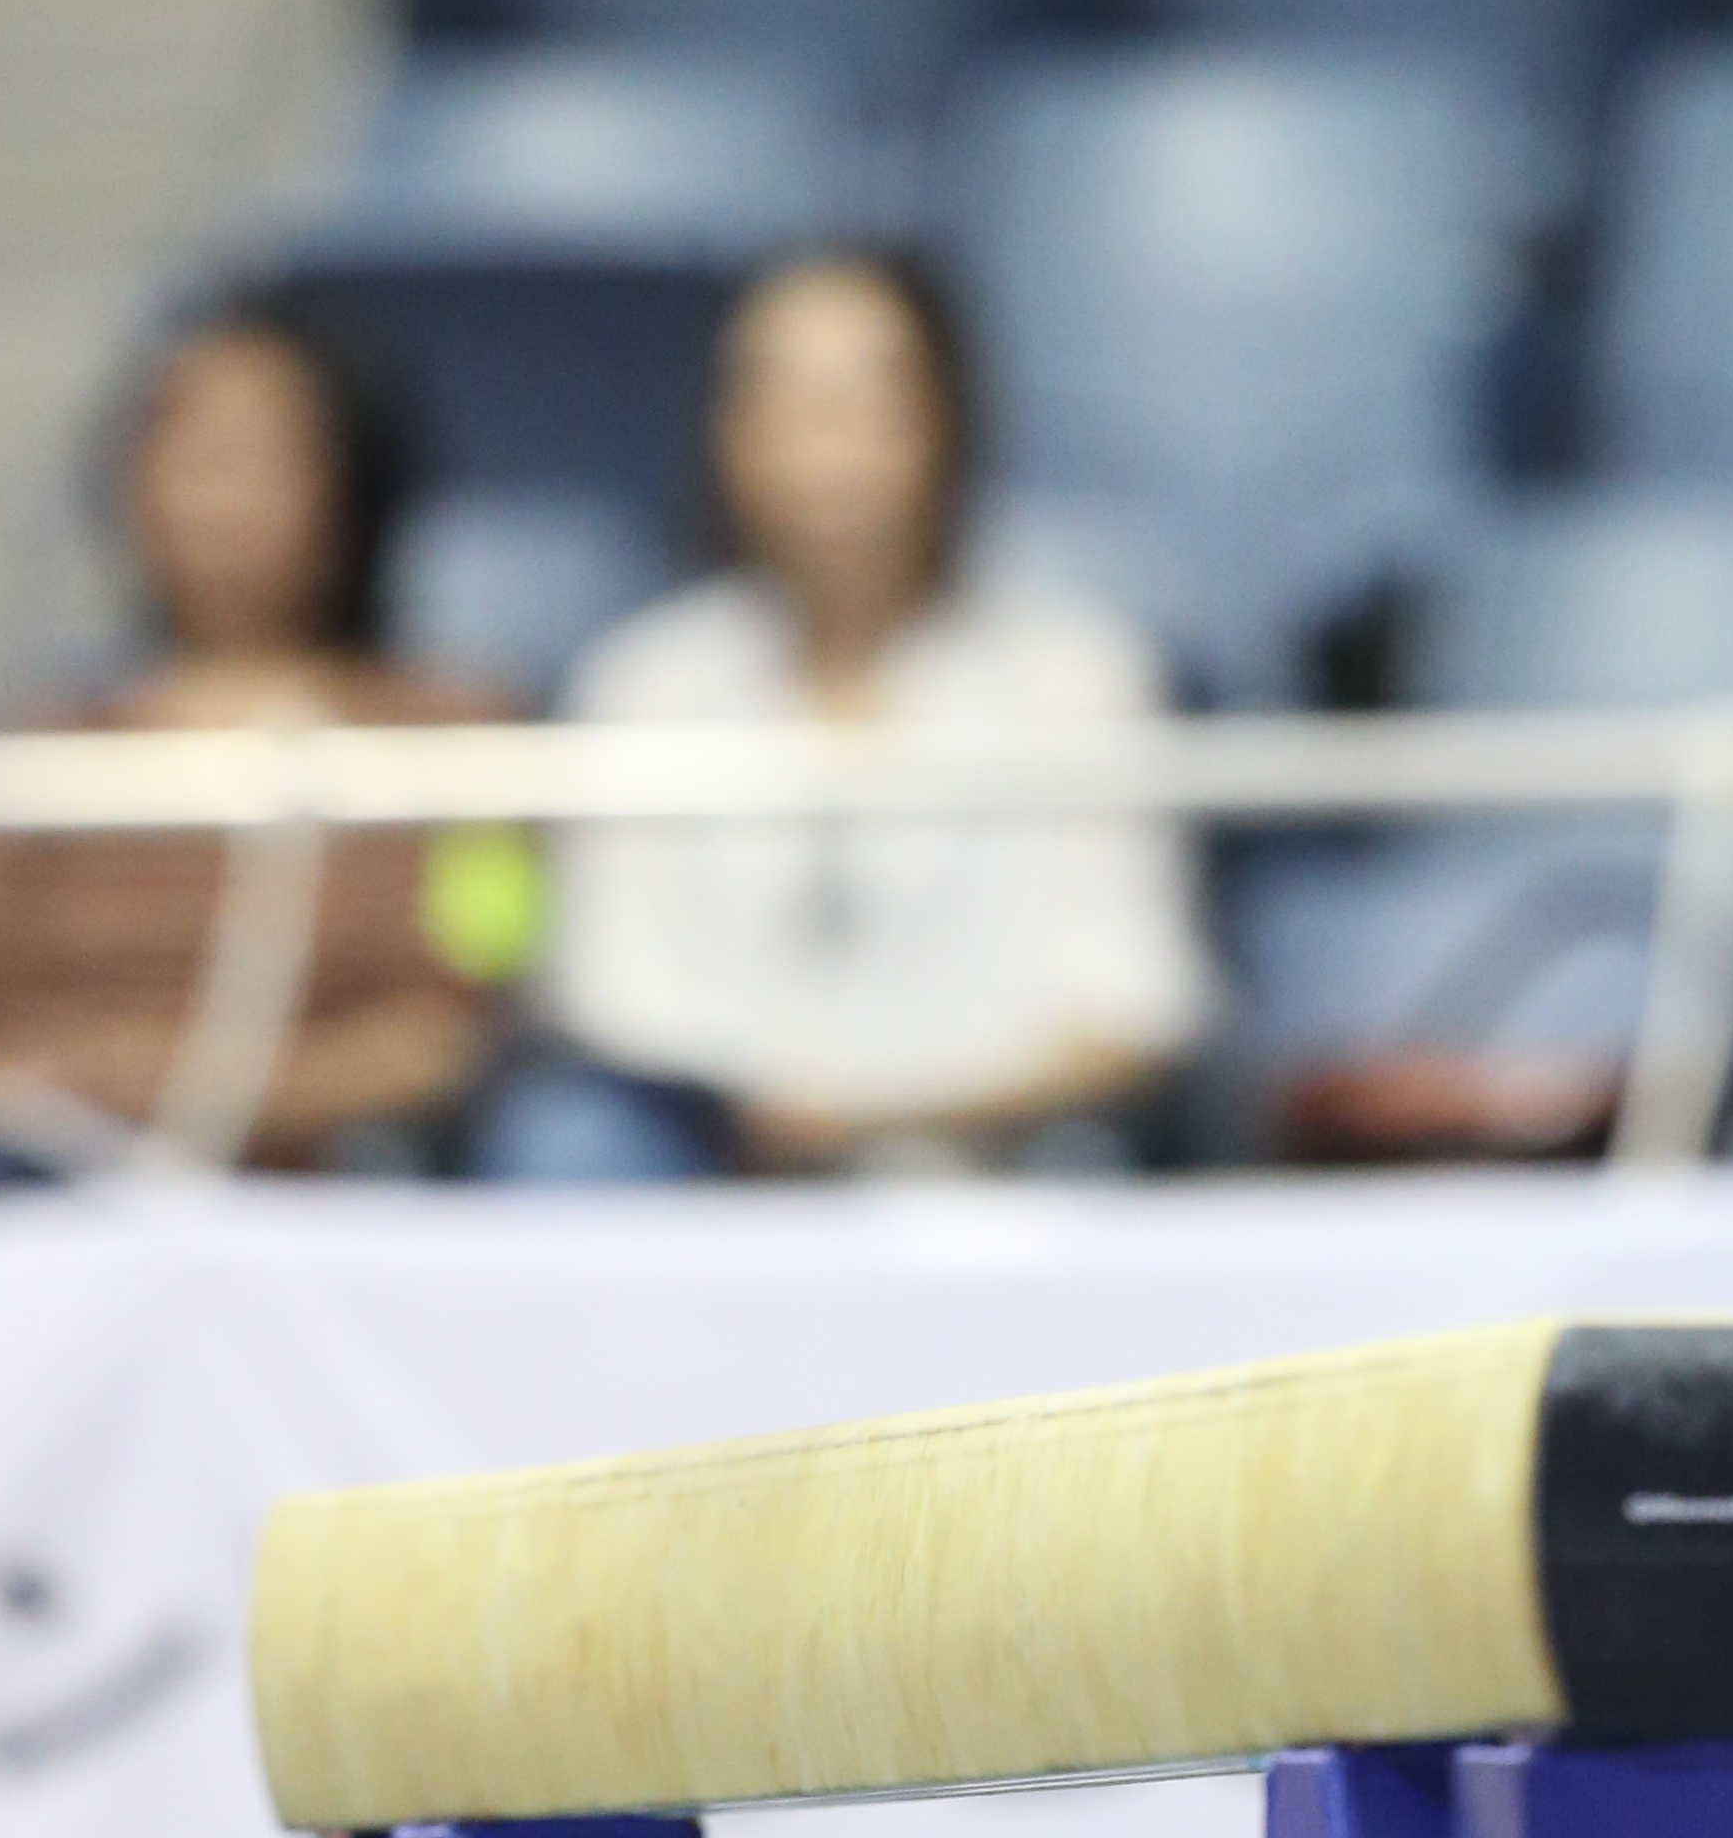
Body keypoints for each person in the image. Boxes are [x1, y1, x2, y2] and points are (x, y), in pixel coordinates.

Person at [513, 246, 1212, 1178]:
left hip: (1001, 1166)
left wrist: (886, 1115)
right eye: (787, 403)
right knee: (569, 1144)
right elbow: (602, 989)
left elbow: (1132, 1009)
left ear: (947, 425)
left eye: (869, 404)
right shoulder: (645, 678)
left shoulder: (1077, 673)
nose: (828, 452)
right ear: (726, 434)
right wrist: (763, 1111)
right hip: (709, 1166)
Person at [0, 292, 503, 1182]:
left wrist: (219, 1089)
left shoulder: (464, 736)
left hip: (347, 1172)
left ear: (349, 478)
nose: (220, 496)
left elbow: (462, 1022)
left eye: (263, 456)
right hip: (56, 1176)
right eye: (188, 451)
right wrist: (72, 1095)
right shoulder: (46, 746)